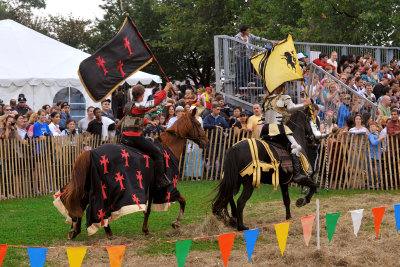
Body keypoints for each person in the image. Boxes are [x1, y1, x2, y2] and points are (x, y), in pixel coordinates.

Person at [120, 82, 173, 189]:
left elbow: (134, 118)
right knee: (158, 154)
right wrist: (166, 88)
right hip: (134, 138)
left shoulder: (128, 105)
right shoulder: (140, 105)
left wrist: (148, 122)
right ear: (142, 95)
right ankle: (160, 181)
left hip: (124, 137)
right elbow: (156, 101)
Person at [260, 83, 313, 184]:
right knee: (296, 146)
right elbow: (291, 108)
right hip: (277, 128)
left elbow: (266, 116)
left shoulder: (267, 99)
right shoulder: (284, 97)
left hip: (266, 129)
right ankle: (297, 174)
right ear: (283, 88)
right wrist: (305, 104)